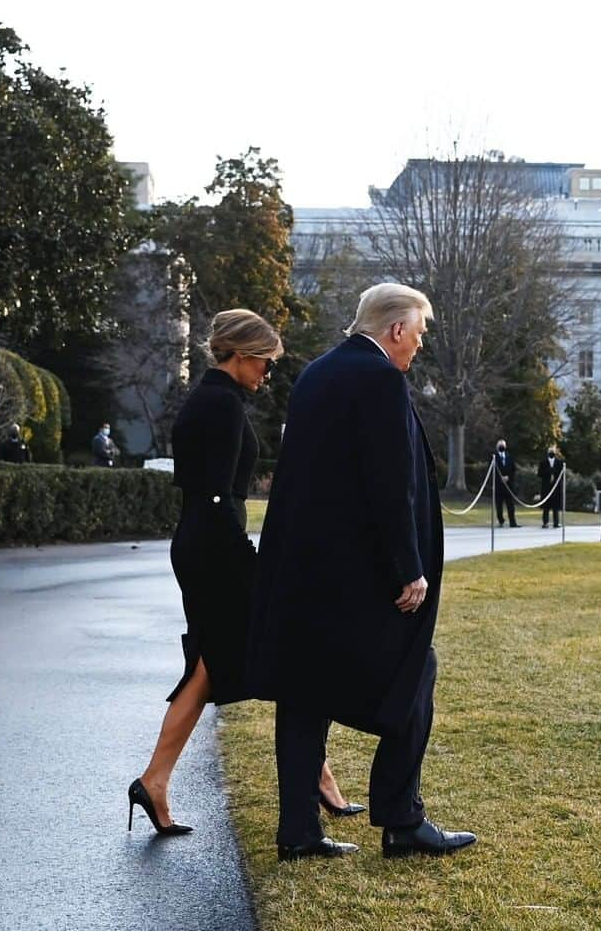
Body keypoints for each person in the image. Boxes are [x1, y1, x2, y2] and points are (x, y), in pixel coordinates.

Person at [250, 283, 476, 862]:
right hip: (356, 577)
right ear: (396, 329)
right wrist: (409, 568)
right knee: (415, 670)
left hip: (304, 575)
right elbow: (388, 482)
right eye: (419, 334)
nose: (419, 346)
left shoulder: (318, 373)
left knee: (304, 696)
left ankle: (298, 831)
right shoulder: (379, 379)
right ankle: (402, 820)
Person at [128, 309, 359, 836]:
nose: (268, 373)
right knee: (282, 651)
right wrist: (252, 564)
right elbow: (214, 500)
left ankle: (156, 782)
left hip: (203, 544)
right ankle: (318, 780)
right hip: (216, 549)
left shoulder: (211, 400)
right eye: (265, 362)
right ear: (242, 354)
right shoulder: (221, 406)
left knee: (213, 667)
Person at [492, 439, 520, 527]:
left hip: (509, 485)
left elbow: (513, 469)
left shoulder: (509, 457)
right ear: (497, 447)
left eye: (503, 445)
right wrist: (500, 478)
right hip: (498, 485)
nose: (501, 447)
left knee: (510, 505)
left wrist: (508, 477)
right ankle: (501, 521)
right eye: (500, 445)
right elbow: (491, 471)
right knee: (499, 505)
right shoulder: (494, 457)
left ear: (505, 446)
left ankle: (513, 522)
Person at [537, 445, 564, 528]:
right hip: (546, 487)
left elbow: (561, 475)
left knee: (556, 507)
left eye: (553, 451)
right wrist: (549, 471)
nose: (551, 453)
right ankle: (545, 522)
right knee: (546, 507)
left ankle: (556, 522)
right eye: (550, 451)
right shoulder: (543, 462)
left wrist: (554, 472)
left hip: (556, 487)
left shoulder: (559, 462)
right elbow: (539, 474)